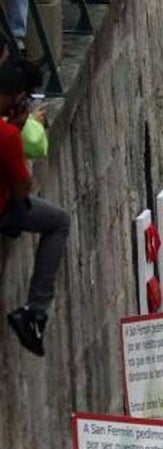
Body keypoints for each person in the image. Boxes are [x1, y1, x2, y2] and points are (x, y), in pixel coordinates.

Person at [0, 58, 71, 356]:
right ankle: (35, 311)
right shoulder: (7, 136)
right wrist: (18, 127)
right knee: (59, 221)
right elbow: (22, 185)